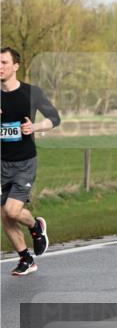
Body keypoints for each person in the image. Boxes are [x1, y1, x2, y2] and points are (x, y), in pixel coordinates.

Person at [1, 47, 60, 276]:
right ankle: (26, 259)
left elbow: (55, 118)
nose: (0, 67)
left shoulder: (31, 93)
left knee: (13, 211)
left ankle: (36, 226)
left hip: (24, 162)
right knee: (4, 215)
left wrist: (34, 127)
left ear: (16, 66)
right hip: (1, 163)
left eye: (4, 63)